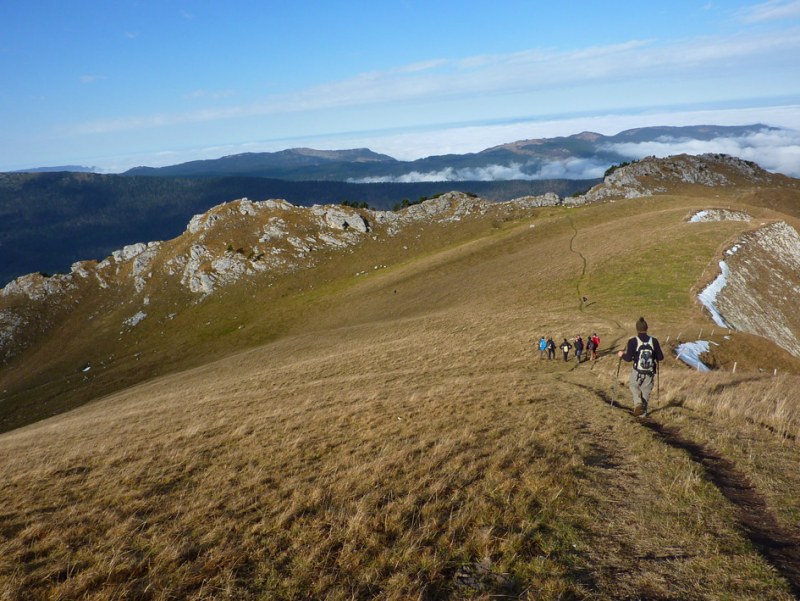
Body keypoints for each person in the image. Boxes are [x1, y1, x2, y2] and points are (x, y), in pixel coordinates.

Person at [617, 317, 664, 417]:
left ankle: (638, 404)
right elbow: (660, 357)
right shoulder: (654, 341)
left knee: (633, 386)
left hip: (637, 371)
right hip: (649, 372)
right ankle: (642, 416)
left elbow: (629, 358)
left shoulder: (633, 341)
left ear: (637, 329)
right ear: (646, 328)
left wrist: (622, 355)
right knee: (646, 393)